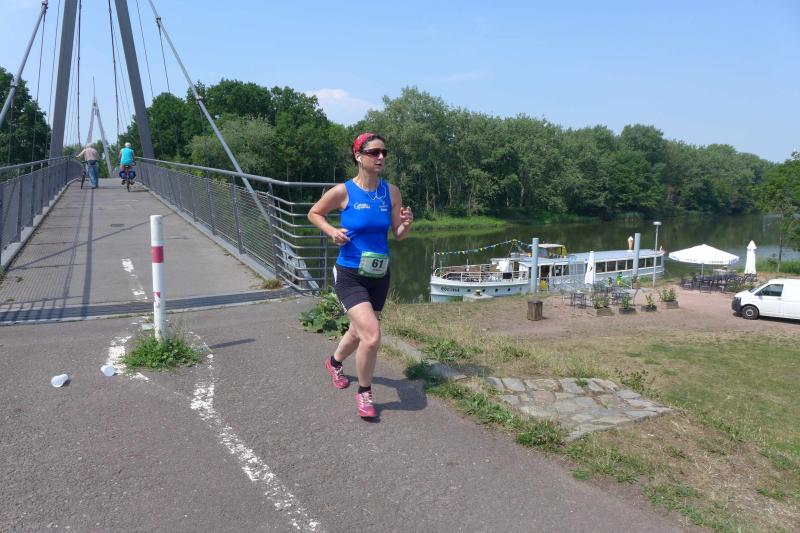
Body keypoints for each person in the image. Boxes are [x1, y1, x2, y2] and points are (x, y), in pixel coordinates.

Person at [308, 132, 413, 419]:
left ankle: (334, 362)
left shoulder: (391, 192)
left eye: (384, 153)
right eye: (374, 152)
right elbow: (314, 213)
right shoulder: (343, 191)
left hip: (379, 273)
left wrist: (406, 224)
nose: (380, 157)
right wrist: (332, 231)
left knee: (359, 330)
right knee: (372, 335)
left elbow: (398, 234)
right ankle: (364, 393)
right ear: (358, 156)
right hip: (350, 273)